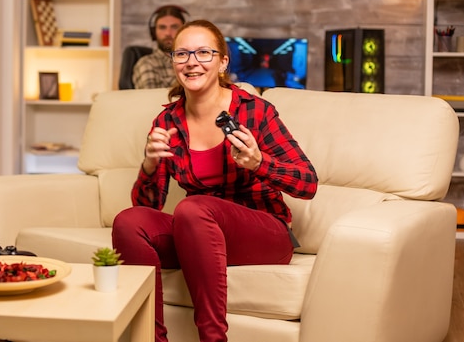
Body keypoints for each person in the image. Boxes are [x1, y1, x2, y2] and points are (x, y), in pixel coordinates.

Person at [112, 19, 318, 342]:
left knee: (193, 209)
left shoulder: (256, 112)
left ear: (223, 62)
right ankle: (151, 339)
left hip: (265, 233)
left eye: (204, 53)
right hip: (198, 233)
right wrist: (150, 164)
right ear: (174, 63)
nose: (192, 62)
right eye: (182, 54)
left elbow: (308, 184)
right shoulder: (167, 121)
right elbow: (146, 206)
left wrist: (260, 162)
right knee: (128, 222)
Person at [132, 5, 189, 89]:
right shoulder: (147, 63)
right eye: (162, 27)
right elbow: (152, 101)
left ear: (184, 31)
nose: (168, 33)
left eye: (174, 27)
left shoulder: (193, 61)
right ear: (153, 32)